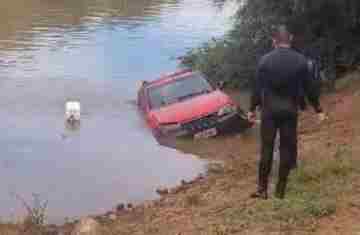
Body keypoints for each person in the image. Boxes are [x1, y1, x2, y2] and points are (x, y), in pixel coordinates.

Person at [247, 25, 326, 199]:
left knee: (266, 148)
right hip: (290, 111)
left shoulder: (264, 61)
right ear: (290, 39)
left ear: (273, 41)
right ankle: (280, 191)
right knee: (286, 149)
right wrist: (318, 109)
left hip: (269, 111)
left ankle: (262, 189)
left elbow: (257, 88)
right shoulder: (301, 61)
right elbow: (309, 88)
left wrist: (252, 109)